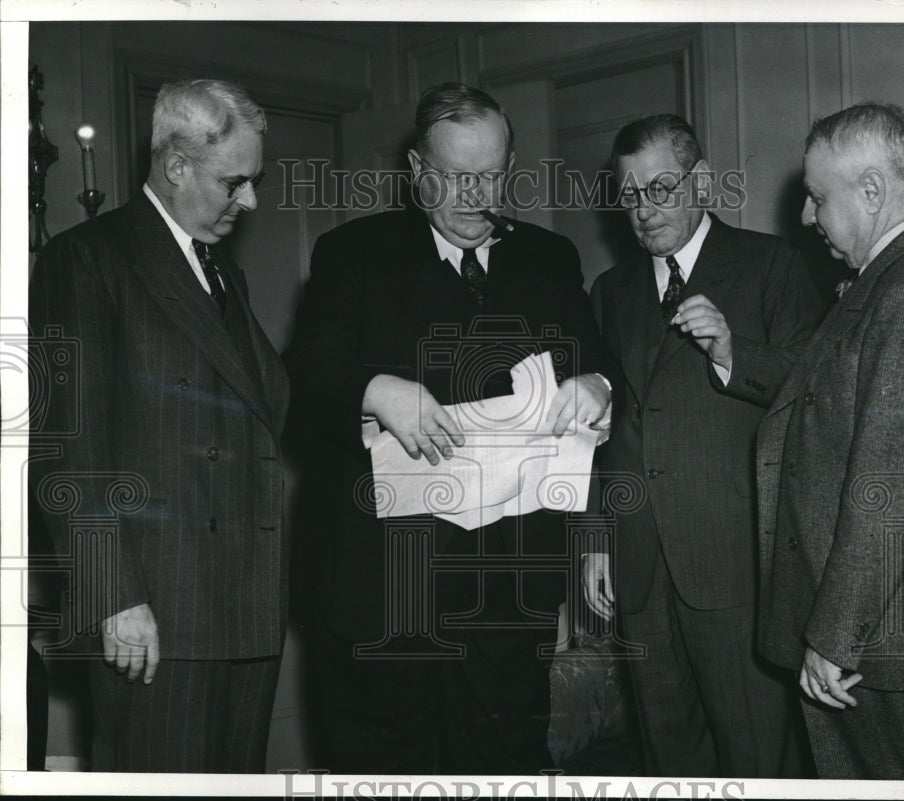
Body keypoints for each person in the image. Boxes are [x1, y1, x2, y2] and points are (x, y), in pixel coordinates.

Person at [284, 82, 614, 774]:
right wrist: (375, 390)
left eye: (491, 176)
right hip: (384, 597)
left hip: (509, 602)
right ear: (416, 170)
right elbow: (307, 374)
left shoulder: (550, 257)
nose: (475, 196)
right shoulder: (353, 252)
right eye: (456, 177)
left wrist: (597, 385)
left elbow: (602, 364)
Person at [29, 79, 288, 772]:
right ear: (176, 165)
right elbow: (68, 450)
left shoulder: (223, 271)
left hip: (246, 605)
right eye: (234, 182)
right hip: (155, 614)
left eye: (254, 181)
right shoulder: (87, 257)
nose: (250, 201)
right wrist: (114, 597)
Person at [585, 113, 824, 777]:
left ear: (702, 181)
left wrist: (730, 352)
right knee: (668, 757)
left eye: (660, 188)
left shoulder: (771, 265)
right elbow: (599, 432)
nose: (643, 209)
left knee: (755, 755)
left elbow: (817, 395)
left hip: (735, 561)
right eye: (629, 194)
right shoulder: (610, 291)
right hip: (638, 562)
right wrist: (595, 536)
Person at [756, 102, 904, 780]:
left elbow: (892, 487)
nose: (806, 216)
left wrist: (833, 637)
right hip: (896, 628)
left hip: (883, 643)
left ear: (873, 191)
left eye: (818, 198)